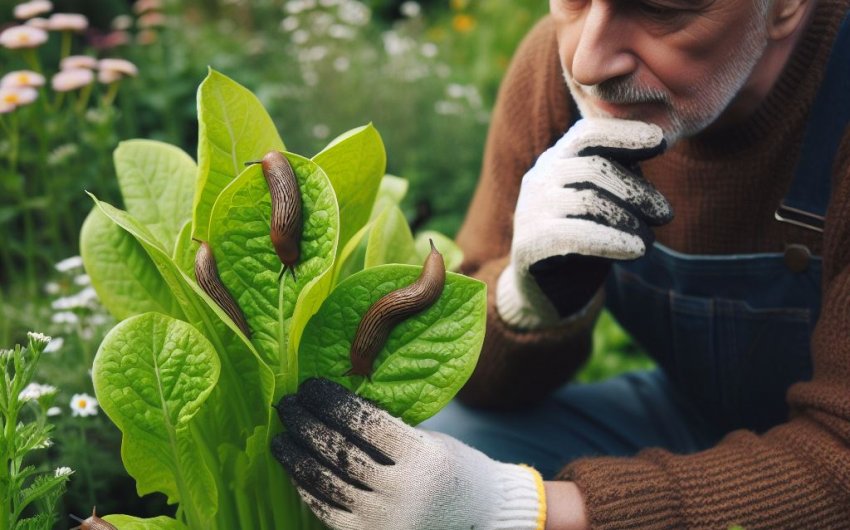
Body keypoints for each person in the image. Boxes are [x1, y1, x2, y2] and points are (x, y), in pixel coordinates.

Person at [273, 0, 850, 527]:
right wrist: (523, 302)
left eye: (658, 9)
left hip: (828, 450)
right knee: (429, 446)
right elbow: (478, 384)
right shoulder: (552, 74)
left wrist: (520, 510)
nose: (586, 61)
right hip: (683, 407)